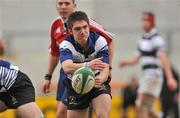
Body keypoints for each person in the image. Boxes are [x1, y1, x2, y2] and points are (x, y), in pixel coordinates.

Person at [42, 0, 114, 118]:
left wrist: (107, 71)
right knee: (60, 114)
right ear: (70, 30)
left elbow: (109, 41)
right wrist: (48, 76)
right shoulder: (56, 27)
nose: (63, 7)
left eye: (67, 3)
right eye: (60, 4)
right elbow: (55, 53)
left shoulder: (91, 27)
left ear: (74, 5)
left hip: (95, 71)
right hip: (71, 74)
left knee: (102, 114)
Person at [119, 12, 177, 118]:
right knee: (147, 108)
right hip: (145, 76)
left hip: (152, 76)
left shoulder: (156, 38)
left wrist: (170, 78)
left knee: (141, 105)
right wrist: (125, 62)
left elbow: (164, 58)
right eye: (143, 20)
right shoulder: (143, 39)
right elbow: (136, 58)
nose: (143, 23)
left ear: (151, 22)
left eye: (146, 20)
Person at [60, 11, 111, 118]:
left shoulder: (99, 41)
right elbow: (67, 67)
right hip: (76, 84)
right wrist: (88, 65)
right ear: (70, 31)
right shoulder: (66, 44)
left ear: (89, 27)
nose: (82, 31)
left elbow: (105, 69)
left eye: (85, 27)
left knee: (103, 116)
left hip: (97, 80)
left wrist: (101, 79)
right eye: (77, 29)